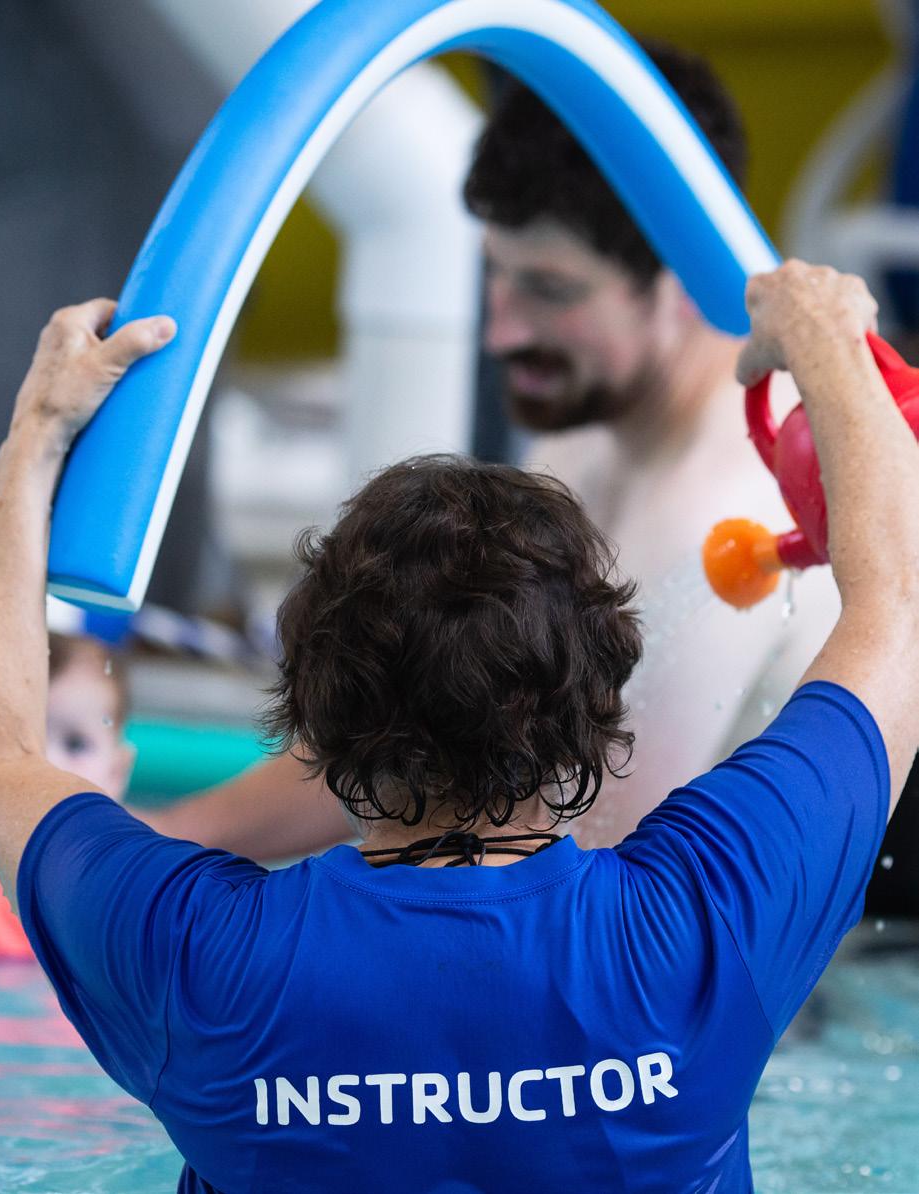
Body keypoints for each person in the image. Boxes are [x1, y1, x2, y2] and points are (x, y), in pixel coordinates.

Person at [0, 263, 919, 1191]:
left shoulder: (199, 957)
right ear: (597, 704)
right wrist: (827, 339)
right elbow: (900, 606)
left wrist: (37, 436)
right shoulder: (706, 920)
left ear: (316, 715)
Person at [142, 43, 845, 861]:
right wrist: (155, 842)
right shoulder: (587, 426)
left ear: (685, 278)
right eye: (494, 276)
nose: (501, 331)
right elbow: (427, 733)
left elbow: (596, 857)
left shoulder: (727, 507)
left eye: (549, 289)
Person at [0, 633, 132, 958]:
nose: (45, 763)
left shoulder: (123, 876)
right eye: (20, 740)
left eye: (75, 744)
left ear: (116, 772)